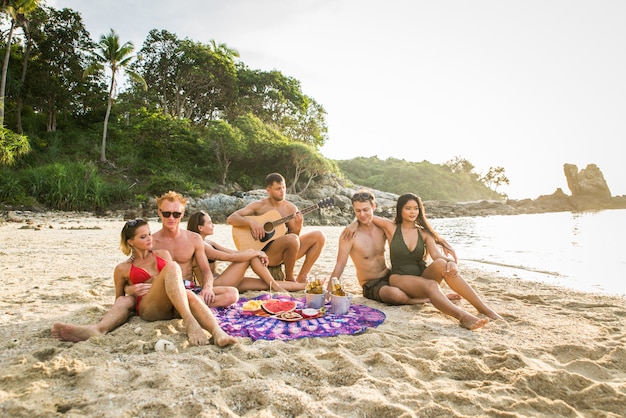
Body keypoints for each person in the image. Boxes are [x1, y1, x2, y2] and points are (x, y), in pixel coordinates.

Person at [52, 218, 236, 347]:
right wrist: (130, 289)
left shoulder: (162, 254)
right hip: (150, 309)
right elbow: (120, 299)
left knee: (185, 289)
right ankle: (98, 330)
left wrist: (155, 280)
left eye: (149, 234)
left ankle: (218, 333)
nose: (150, 239)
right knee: (172, 270)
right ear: (131, 242)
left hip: (176, 304)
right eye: (143, 237)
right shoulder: (123, 268)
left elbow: (172, 281)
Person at [354, 192, 502, 330]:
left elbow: (437, 256)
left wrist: (451, 262)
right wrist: (351, 226)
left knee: (442, 264)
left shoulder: (424, 233)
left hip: (421, 277)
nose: (412, 212)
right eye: (408, 208)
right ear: (400, 210)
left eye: (415, 208)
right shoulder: (391, 227)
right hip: (399, 278)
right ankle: (462, 316)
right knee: (431, 284)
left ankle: (483, 308)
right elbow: (366, 216)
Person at [328, 190, 460, 307]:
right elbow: (339, 266)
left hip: (390, 275)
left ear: (374, 207)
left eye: (366, 209)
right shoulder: (349, 235)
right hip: (371, 283)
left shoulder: (382, 229)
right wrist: (328, 296)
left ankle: (434, 296)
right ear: (353, 210)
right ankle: (426, 299)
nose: (362, 214)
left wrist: (441, 242)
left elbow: (410, 231)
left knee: (414, 284)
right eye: (358, 211)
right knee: (396, 295)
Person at [226, 173, 326, 283]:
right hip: (266, 254)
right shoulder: (259, 206)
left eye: (284, 187)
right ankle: (289, 278)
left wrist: (298, 226)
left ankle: (302, 276)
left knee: (319, 236)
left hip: (287, 252)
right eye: (278, 188)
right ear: (268, 190)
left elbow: (295, 238)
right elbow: (231, 219)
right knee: (291, 239)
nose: (282, 191)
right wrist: (251, 222)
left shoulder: (291, 208)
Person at [151, 191, 239, 307]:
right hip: (164, 291)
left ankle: (189, 306)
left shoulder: (193, 239)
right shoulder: (151, 242)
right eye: (167, 214)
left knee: (232, 294)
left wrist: (207, 288)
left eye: (176, 214)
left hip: (189, 289)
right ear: (159, 212)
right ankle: (193, 305)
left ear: (182, 214)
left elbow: (205, 270)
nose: (171, 218)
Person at [186, 210, 306, 293]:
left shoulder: (209, 242)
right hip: (215, 285)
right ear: (200, 228)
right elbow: (229, 258)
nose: (213, 225)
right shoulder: (201, 245)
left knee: (265, 283)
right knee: (251, 256)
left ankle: (303, 286)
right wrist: (255, 253)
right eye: (209, 223)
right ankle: (276, 287)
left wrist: (254, 251)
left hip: (225, 280)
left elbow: (233, 253)